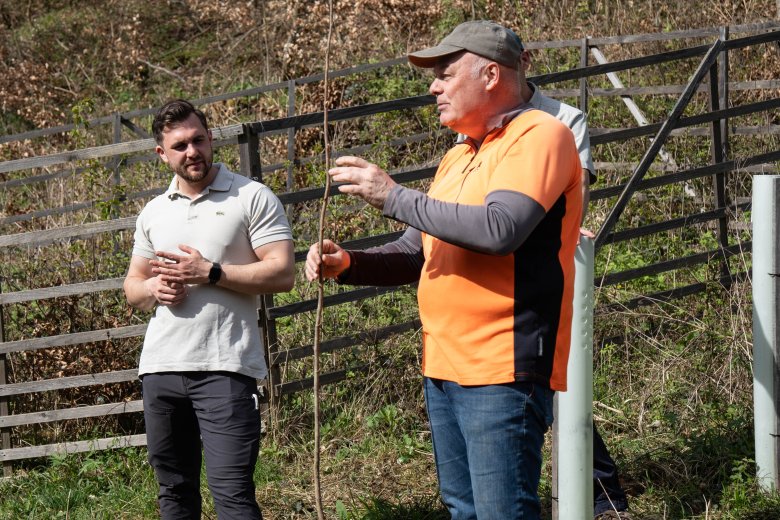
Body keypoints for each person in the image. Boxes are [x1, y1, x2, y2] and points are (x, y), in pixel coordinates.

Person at [306, 20, 582, 518]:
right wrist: (347, 264)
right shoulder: (458, 155)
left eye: (446, 73)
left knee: (503, 513)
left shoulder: (541, 135)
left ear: (492, 75)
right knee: (464, 511)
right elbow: (418, 251)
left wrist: (391, 195)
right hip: (444, 367)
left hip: (502, 369)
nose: (433, 86)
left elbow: (500, 229)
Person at [123, 99, 294, 519]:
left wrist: (211, 272)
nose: (192, 151)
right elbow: (132, 288)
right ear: (162, 154)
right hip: (161, 369)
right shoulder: (154, 212)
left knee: (232, 494)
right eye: (179, 145)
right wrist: (154, 287)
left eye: (198, 139)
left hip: (225, 368)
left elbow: (282, 273)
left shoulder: (251, 196)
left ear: (211, 138)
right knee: (175, 494)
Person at [519, 56, 632, 519]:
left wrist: (566, 226)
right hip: (497, 269)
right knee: (540, 386)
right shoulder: (478, 122)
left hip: (548, 265)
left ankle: (602, 498)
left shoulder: (564, 119)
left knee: (554, 380)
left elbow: (577, 189)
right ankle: (598, 497)